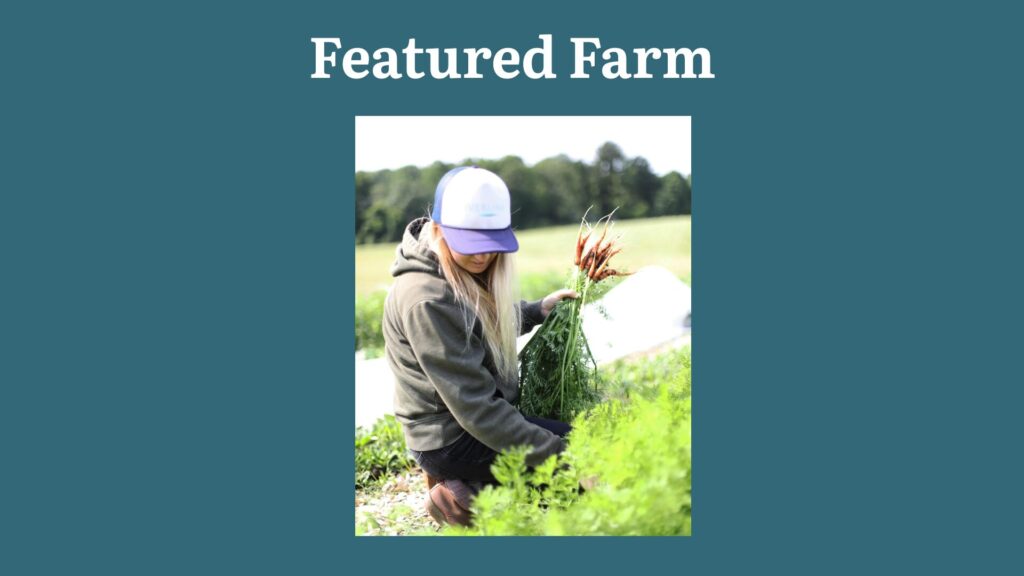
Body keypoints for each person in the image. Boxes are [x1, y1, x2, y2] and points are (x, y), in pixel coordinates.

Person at [382, 166, 576, 527]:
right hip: (450, 438)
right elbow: (479, 413)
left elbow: (475, 325)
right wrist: (566, 459)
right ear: (438, 229)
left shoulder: (450, 272)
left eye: (490, 245)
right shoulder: (427, 299)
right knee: (576, 473)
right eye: (471, 245)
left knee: (580, 443)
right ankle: (458, 494)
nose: (482, 257)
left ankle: (473, 485)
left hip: (470, 423)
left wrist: (536, 311)